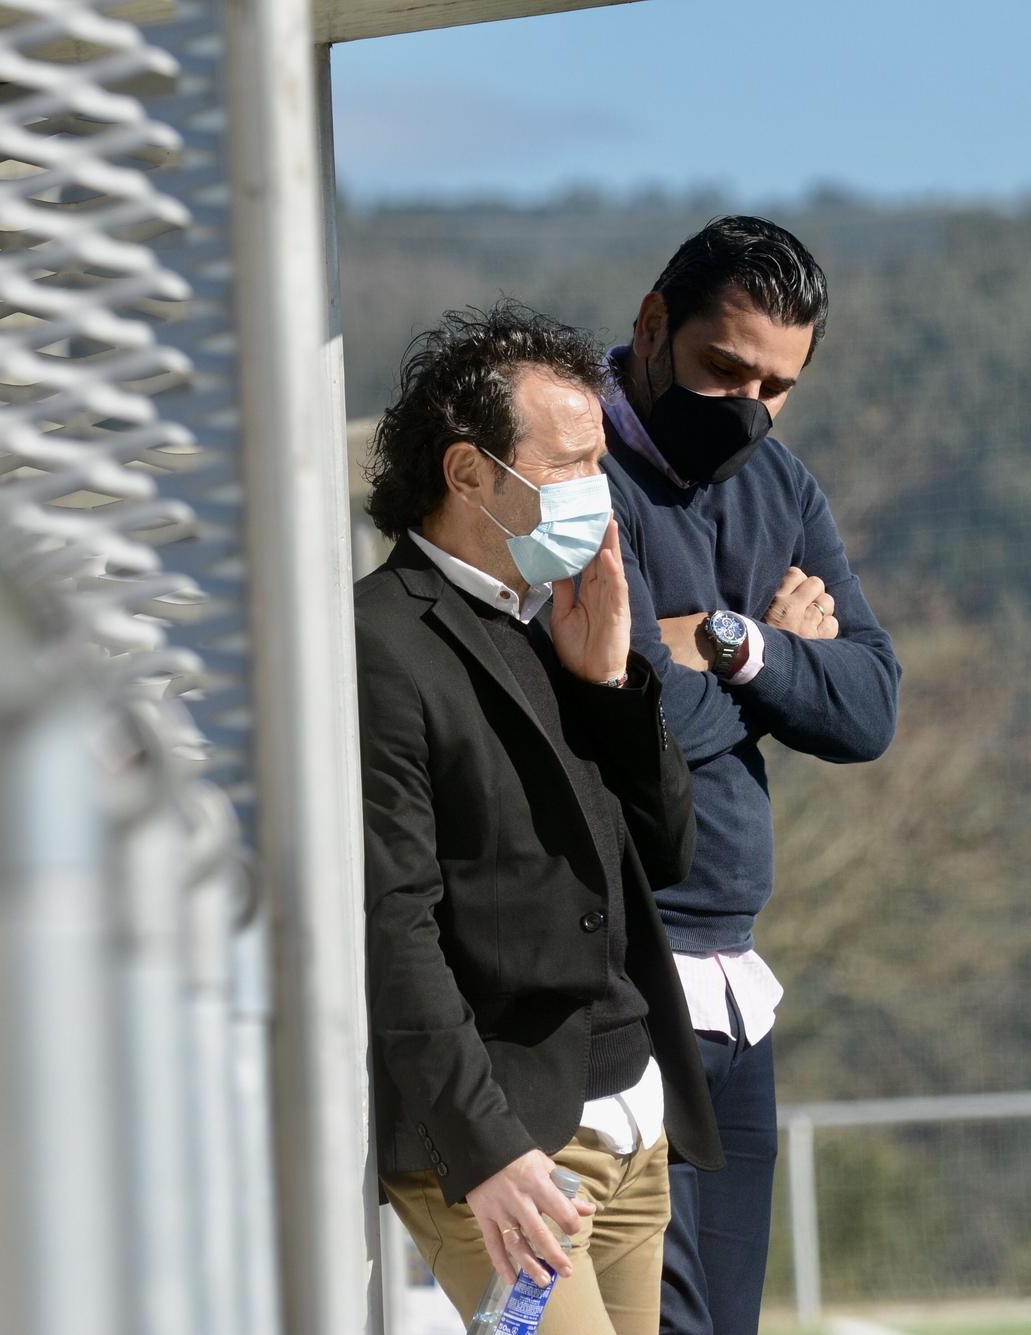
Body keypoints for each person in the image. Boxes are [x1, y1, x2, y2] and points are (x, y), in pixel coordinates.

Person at [356, 302, 723, 1335]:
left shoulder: (565, 617)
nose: (594, 495)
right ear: (469, 473)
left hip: (629, 1124)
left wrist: (610, 684)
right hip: (511, 1148)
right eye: (567, 465)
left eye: (597, 462)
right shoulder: (380, 643)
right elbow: (392, 925)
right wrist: (484, 1150)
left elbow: (666, 853)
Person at [598, 216, 902, 1335]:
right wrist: (772, 660)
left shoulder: (779, 486)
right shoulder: (569, 459)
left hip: (734, 978)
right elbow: (622, 702)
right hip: (615, 975)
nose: (745, 407)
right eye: (723, 368)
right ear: (650, 324)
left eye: (775, 386)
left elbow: (867, 707)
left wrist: (728, 642)